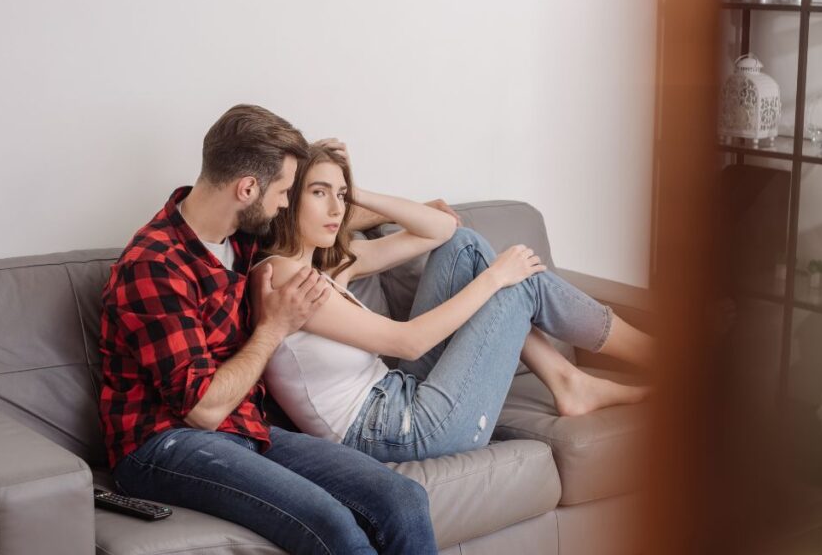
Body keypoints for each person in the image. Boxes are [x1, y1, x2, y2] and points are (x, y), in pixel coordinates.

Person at [98, 105, 438, 554]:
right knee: (331, 525)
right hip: (163, 444)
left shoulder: (240, 236)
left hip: (246, 429)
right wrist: (274, 328)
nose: (285, 203)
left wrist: (346, 193)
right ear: (247, 188)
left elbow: (318, 224)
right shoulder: (154, 265)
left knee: (403, 499)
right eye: (283, 191)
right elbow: (202, 410)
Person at [253, 140, 653, 462]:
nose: (336, 208)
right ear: (287, 198)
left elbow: (443, 229)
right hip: (398, 431)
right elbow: (407, 342)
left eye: (341, 195)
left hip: (403, 396)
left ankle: (571, 382)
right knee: (515, 280)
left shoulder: (331, 264)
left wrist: (357, 189)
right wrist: (496, 278)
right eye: (319, 193)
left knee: (465, 247)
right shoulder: (283, 275)